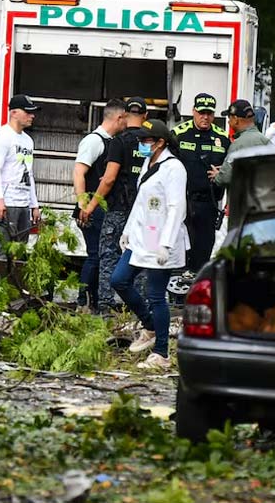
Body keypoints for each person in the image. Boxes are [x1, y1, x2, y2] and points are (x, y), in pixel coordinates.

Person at [111, 119, 187, 371]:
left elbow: (177, 208)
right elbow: (141, 203)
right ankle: (150, 325)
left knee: (156, 295)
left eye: (146, 140)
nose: (142, 144)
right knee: (119, 280)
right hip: (143, 234)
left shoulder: (174, 168)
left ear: (160, 142)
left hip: (162, 237)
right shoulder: (148, 163)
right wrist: (128, 230)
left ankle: (161, 352)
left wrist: (166, 244)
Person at [86, 97, 149, 311]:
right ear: (145, 116)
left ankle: (106, 305)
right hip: (143, 212)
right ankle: (136, 306)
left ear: (125, 116)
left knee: (109, 255)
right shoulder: (152, 143)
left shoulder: (118, 142)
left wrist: (91, 205)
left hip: (118, 210)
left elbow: (109, 178)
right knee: (139, 258)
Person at [72, 99, 126, 311]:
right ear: (119, 117)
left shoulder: (111, 141)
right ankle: (83, 301)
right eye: (125, 119)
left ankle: (93, 301)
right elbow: (79, 172)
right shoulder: (94, 141)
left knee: (101, 255)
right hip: (91, 209)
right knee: (95, 254)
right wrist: (83, 203)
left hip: (100, 208)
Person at [172, 93, 230, 279]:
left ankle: (197, 288)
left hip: (209, 203)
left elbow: (231, 167)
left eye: (209, 113)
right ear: (193, 112)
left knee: (204, 249)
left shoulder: (222, 138)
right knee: (180, 248)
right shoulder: (179, 134)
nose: (205, 117)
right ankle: (176, 290)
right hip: (183, 201)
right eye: (201, 113)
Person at [0, 94, 41, 250]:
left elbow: (29, 173)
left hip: (23, 204)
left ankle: (12, 275)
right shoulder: (2, 137)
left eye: (32, 112)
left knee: (18, 252)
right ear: (13, 112)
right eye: (27, 112)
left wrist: (34, 205)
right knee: (0, 252)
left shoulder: (28, 141)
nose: (32, 116)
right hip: (6, 203)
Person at [210, 100, 271, 188]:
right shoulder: (266, 141)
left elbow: (225, 178)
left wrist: (217, 176)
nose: (228, 122)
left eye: (229, 118)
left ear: (235, 120)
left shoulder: (237, 145)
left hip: (242, 199)